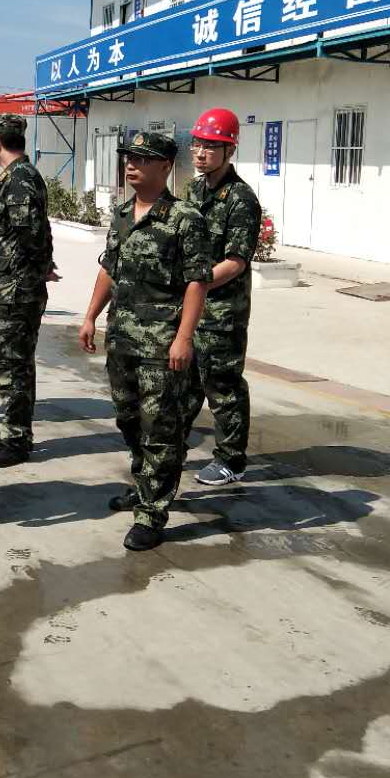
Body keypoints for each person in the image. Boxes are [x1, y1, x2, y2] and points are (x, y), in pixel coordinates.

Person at [78, 131, 210, 551]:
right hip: (122, 339)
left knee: (160, 429)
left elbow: (197, 282)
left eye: (142, 159)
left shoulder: (185, 219)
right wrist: (90, 316)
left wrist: (184, 338)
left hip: (161, 344)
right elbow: (109, 268)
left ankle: (152, 512)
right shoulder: (121, 214)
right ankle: (143, 485)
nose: (131, 165)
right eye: (128, 158)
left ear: (166, 166)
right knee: (129, 420)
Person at [181, 108, 263, 485]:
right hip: (190, 306)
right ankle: (171, 445)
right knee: (182, 382)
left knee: (222, 385)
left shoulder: (240, 199)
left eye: (211, 146)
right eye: (197, 144)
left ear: (230, 150)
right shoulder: (192, 190)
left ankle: (232, 459)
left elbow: (235, 262)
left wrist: (195, 285)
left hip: (221, 311)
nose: (201, 153)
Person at [0, 113, 55, 468]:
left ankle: (17, 438)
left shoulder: (19, 179)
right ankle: (12, 427)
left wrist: (37, 270)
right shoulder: (17, 176)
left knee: (13, 364)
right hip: (10, 287)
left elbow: (32, 235)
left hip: (16, 290)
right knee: (10, 362)